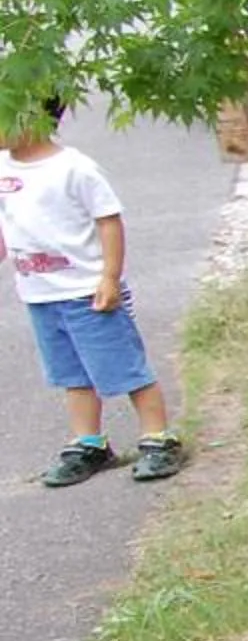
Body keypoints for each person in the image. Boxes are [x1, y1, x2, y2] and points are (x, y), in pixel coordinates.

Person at [1, 99, 182, 485]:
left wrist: (110, 277)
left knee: (125, 367)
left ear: (33, 114)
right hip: (39, 294)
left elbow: (108, 221)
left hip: (87, 292)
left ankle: (158, 438)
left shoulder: (74, 168)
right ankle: (89, 443)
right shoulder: (3, 168)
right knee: (72, 374)